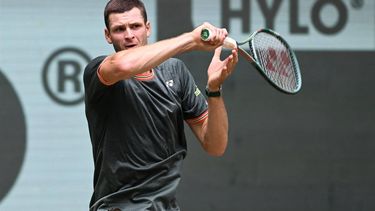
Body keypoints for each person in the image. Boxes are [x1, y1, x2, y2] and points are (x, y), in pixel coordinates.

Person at [83, 0, 238, 210]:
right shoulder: (100, 71)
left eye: (135, 26)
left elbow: (215, 146)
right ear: (107, 35)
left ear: (148, 28)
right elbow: (122, 64)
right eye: (119, 29)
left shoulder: (176, 72)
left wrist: (214, 89)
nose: (129, 35)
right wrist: (191, 39)